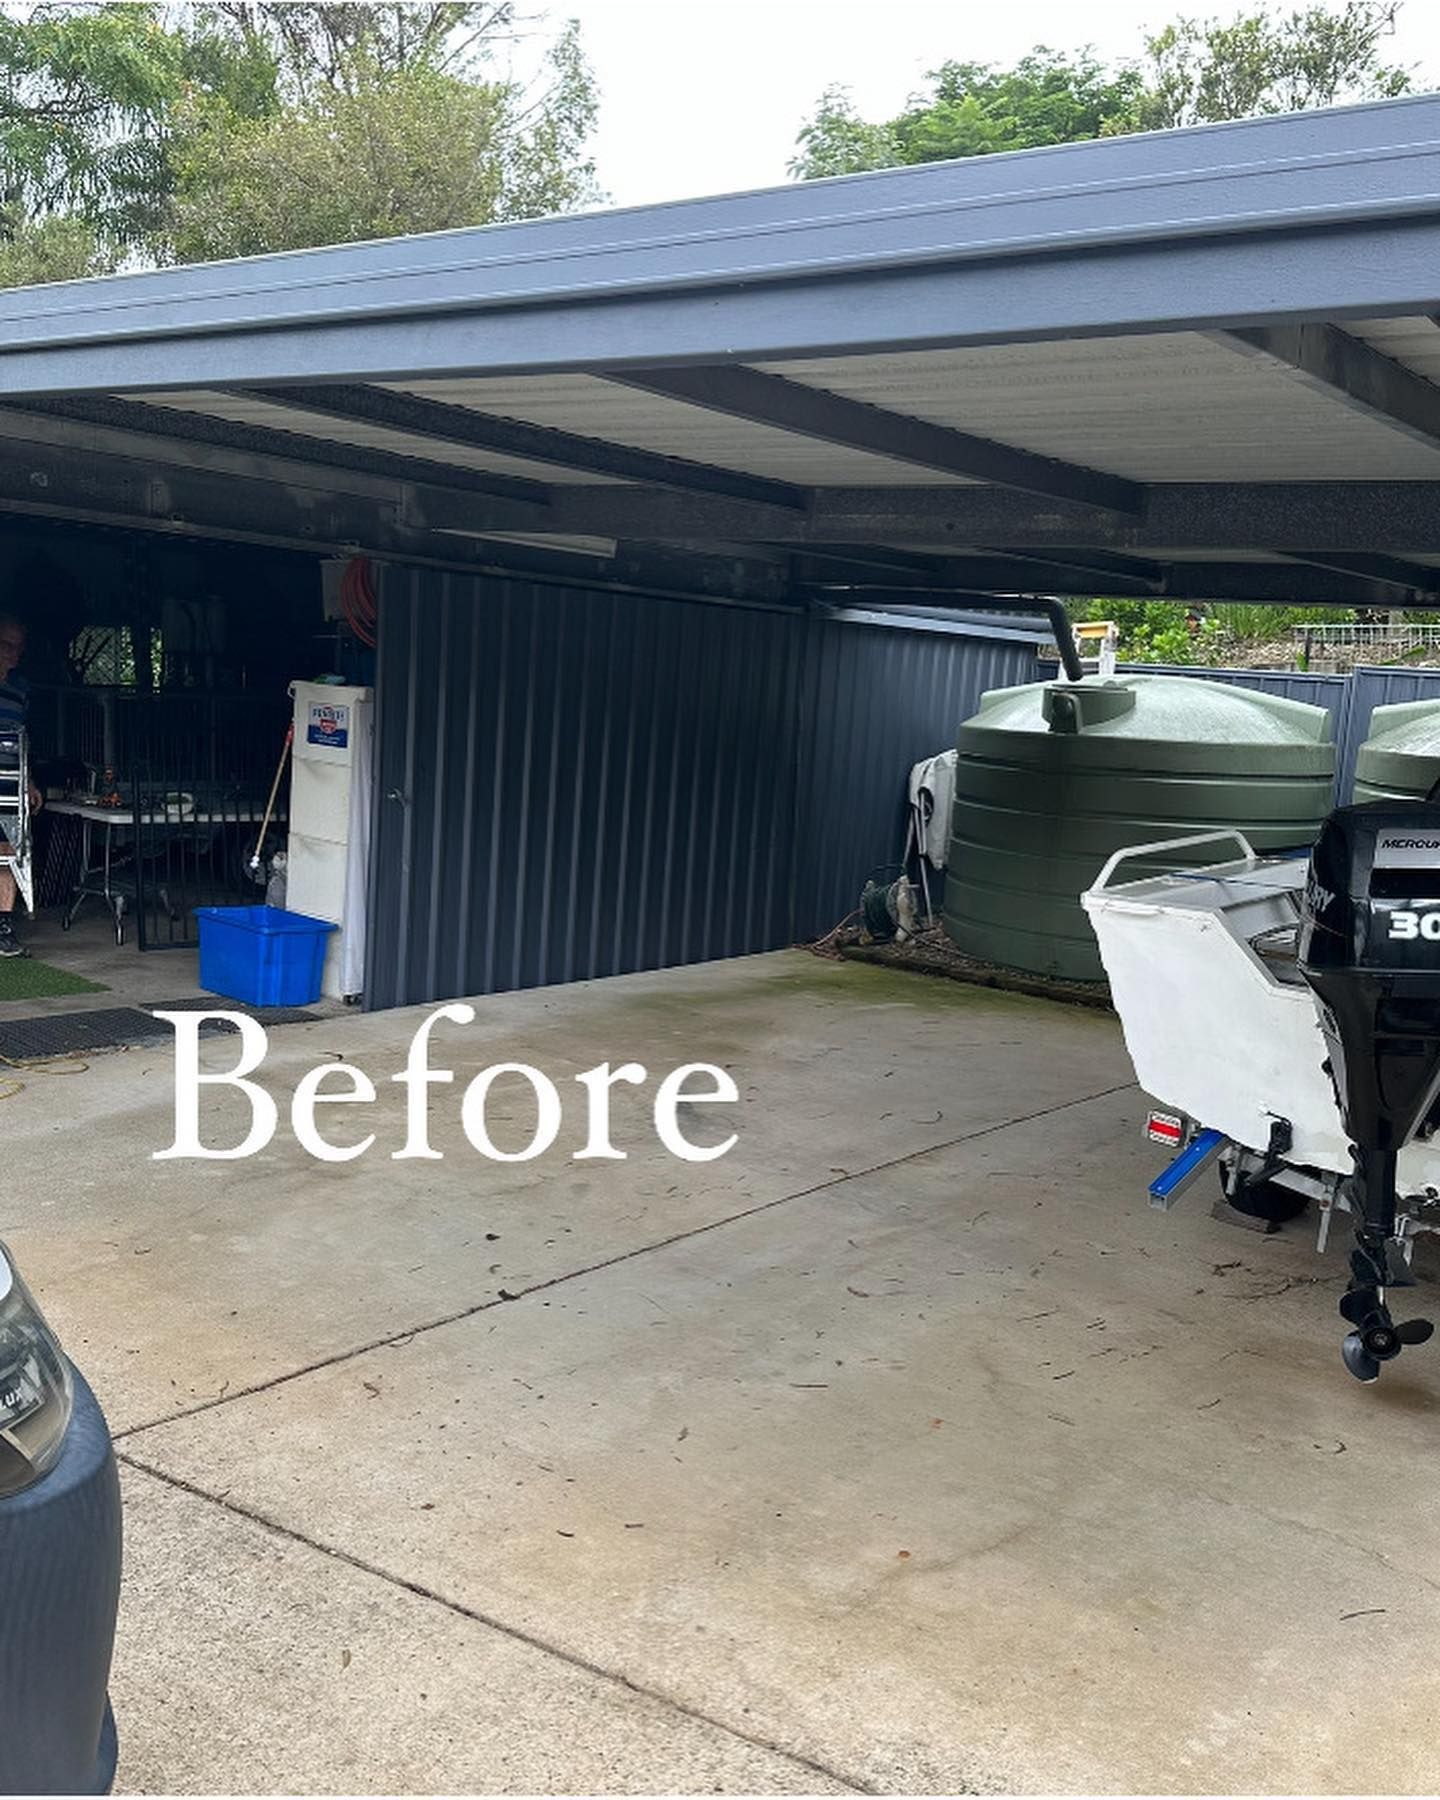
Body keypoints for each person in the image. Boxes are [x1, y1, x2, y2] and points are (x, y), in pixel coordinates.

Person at [0, 614, 41, 958]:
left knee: (8, 853)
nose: (14, 653)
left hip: (9, 786)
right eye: (7, 645)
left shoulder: (20, 689)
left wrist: (28, 782)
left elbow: (23, 741)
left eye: (19, 647)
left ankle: (3, 926)